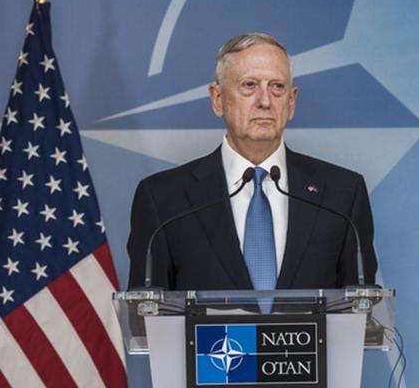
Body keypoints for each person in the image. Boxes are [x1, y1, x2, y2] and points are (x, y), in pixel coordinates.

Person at [127, 32, 377, 290]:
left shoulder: (342, 195)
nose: (265, 101)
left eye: (277, 87)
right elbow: (147, 318)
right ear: (217, 99)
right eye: (249, 85)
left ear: (291, 102)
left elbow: (360, 314)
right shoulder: (163, 199)